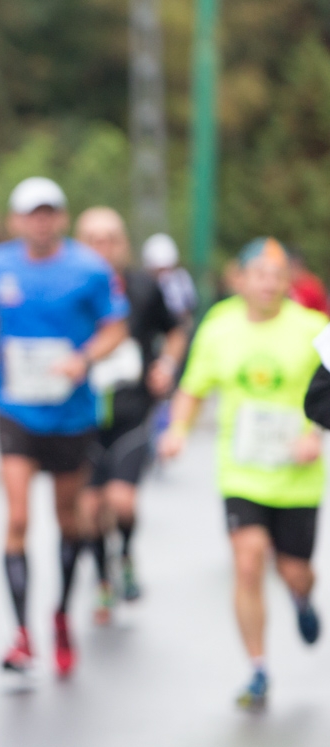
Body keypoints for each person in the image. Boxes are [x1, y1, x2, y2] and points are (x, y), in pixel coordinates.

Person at [0, 177, 129, 677]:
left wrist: (85, 358)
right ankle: (21, 633)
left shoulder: (90, 268)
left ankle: (58, 615)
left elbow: (115, 328)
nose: (41, 220)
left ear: (61, 217)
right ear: (16, 220)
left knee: (68, 517)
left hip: (71, 412)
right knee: (16, 519)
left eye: (50, 211)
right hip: (15, 408)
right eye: (32, 213)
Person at [159, 237, 329, 710]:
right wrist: (176, 429)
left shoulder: (314, 328)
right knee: (249, 559)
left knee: (294, 571)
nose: (269, 284)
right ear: (241, 278)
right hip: (242, 471)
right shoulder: (218, 327)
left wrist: (315, 436)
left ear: (287, 281)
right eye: (260, 274)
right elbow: (193, 387)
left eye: (278, 276)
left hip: (297, 474)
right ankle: (258, 668)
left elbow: (326, 394)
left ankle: (301, 596)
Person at [73, 207, 187, 622]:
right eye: (92, 239)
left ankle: (125, 554)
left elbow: (176, 330)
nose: (102, 247)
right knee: (88, 510)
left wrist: (166, 366)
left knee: (120, 502)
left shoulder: (142, 287)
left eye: (110, 239)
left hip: (132, 415)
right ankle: (103, 581)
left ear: (124, 244)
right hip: (80, 419)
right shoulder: (67, 289)